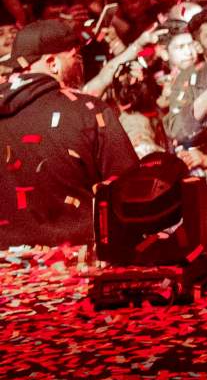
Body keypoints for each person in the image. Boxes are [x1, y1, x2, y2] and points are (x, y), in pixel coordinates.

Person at [0, 20, 139, 245]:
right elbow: (129, 189)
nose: (81, 66)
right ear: (53, 63)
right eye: (76, 57)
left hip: (6, 261)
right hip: (76, 257)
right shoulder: (89, 111)